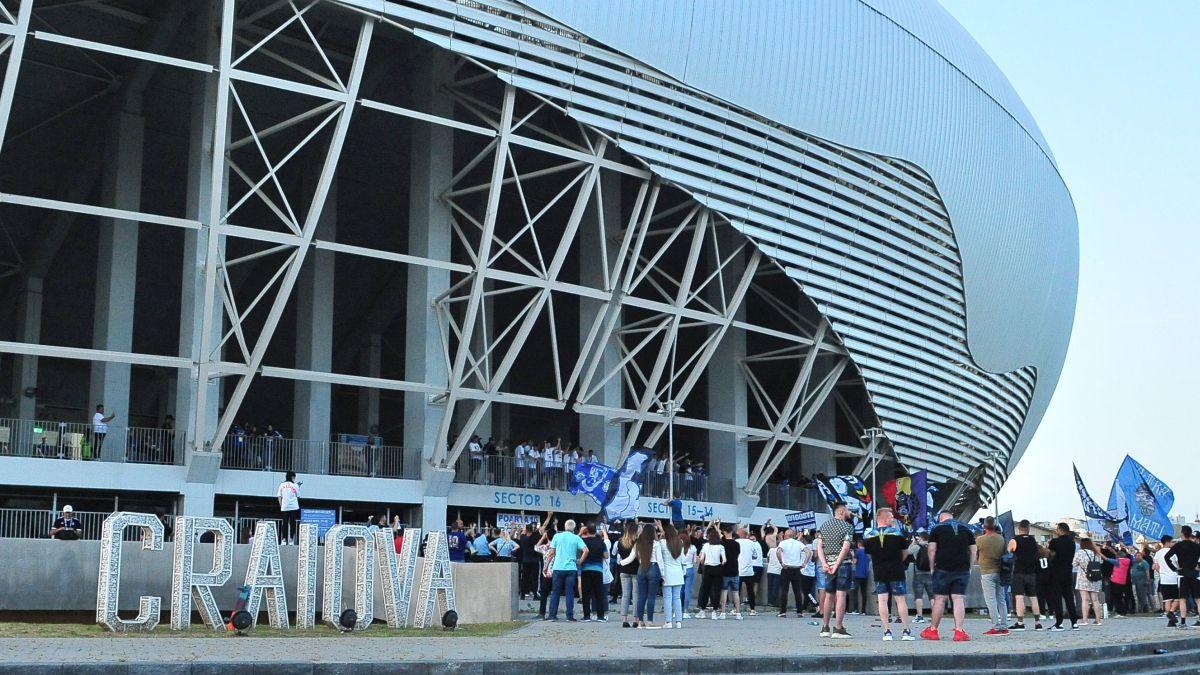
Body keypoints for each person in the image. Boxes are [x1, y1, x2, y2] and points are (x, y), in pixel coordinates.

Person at [920, 510, 976, 642]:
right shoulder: (966, 528)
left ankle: (933, 630)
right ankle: (959, 632)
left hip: (942, 567)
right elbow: (973, 550)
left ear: (941, 518)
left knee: (940, 599)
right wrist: (970, 566)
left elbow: (932, 549)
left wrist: (932, 567)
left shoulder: (937, 528)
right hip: (962, 568)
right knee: (958, 598)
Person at [863, 507, 915, 641]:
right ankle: (906, 631)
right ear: (884, 518)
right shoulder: (898, 534)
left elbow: (869, 554)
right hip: (896, 569)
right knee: (900, 600)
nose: (893, 519)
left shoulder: (869, 536)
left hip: (879, 570)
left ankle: (886, 631)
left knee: (882, 600)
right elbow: (905, 553)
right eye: (891, 517)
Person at [815, 503, 854, 639]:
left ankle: (824, 627)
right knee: (841, 595)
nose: (850, 512)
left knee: (829, 595)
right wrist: (837, 564)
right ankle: (838, 628)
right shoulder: (848, 527)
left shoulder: (824, 526)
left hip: (828, 564)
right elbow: (845, 547)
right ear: (842, 511)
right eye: (848, 509)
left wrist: (825, 563)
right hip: (843, 564)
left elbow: (819, 547)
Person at [544, 518, 585, 621]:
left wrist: (546, 566)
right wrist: (580, 561)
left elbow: (551, 553)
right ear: (574, 528)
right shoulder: (576, 538)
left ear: (565, 527)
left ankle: (552, 615)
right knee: (569, 592)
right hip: (571, 568)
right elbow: (586, 550)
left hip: (558, 568)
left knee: (555, 592)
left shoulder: (557, 536)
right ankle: (569, 616)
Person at [622, 523, 663, 627]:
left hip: (641, 569)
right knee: (651, 597)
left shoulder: (638, 544)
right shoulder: (656, 544)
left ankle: (640, 621)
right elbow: (660, 560)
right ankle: (650, 621)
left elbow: (630, 558)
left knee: (641, 597)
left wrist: (621, 563)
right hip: (653, 568)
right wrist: (663, 574)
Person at [1007, 519, 1043, 630]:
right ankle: (1037, 622)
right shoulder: (1033, 540)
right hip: (1031, 572)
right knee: (1033, 597)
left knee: (1019, 597)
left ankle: (1020, 622)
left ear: (1019, 528)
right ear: (1028, 528)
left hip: (1018, 572)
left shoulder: (1014, 540)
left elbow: (1008, 553)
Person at [976, 516, 1009, 636]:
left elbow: (976, 554)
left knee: (991, 600)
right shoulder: (1001, 539)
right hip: (1000, 571)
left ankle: (995, 626)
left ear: (984, 526)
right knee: (1001, 599)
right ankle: (1004, 625)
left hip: (986, 571)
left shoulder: (980, 540)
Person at [1165, 525, 1200, 629]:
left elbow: (1167, 557)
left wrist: (1174, 568)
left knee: (1183, 599)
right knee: (1198, 599)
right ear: (1191, 534)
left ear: (1182, 534)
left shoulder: (1178, 545)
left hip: (1183, 574)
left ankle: (1183, 622)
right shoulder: (1197, 546)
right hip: (1194, 573)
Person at [1047, 523, 1080, 631]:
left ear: (1060, 530)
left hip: (1056, 572)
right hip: (1068, 572)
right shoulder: (1072, 543)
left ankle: (1059, 623)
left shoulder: (1055, 542)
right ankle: (1074, 622)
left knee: (1057, 598)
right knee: (1069, 597)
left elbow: (1050, 554)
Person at [578, 523, 610, 622]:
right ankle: (600, 616)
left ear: (586, 531)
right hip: (598, 570)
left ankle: (586, 616)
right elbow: (606, 556)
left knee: (586, 593)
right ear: (595, 531)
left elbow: (578, 547)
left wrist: (580, 533)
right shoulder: (601, 542)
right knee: (599, 593)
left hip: (586, 569)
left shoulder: (583, 541)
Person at [658, 521, 686, 628]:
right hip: (678, 573)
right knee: (677, 598)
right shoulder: (680, 543)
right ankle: (679, 621)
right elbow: (683, 560)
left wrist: (661, 531)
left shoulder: (663, 543)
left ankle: (668, 621)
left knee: (667, 598)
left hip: (667, 573)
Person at [1073, 537, 1105, 625]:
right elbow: (1100, 563)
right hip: (1095, 577)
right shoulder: (1096, 553)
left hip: (1083, 577)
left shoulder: (1080, 552)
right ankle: (1098, 620)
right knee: (1095, 599)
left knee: (1085, 599)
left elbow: (1074, 564)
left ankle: (1085, 619)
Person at [775, 527, 805, 617]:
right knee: (797, 591)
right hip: (796, 568)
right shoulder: (799, 543)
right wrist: (804, 563)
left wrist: (781, 562)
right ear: (794, 535)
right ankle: (800, 611)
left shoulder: (783, 543)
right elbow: (808, 552)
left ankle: (783, 611)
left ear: (786, 535)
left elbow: (778, 551)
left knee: (784, 590)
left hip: (786, 568)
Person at [697, 527, 726, 620]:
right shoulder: (721, 547)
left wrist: (702, 563)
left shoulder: (706, 545)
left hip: (708, 568)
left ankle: (702, 610)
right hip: (717, 568)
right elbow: (724, 560)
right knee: (716, 590)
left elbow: (701, 558)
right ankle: (714, 611)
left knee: (706, 589)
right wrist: (721, 564)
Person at [1155, 535, 1182, 627]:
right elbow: (1178, 564)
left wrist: (1162, 572)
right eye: (1172, 542)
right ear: (1167, 542)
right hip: (1174, 577)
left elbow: (1156, 567)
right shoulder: (1173, 553)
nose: (1173, 544)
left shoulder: (1157, 553)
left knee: (1167, 600)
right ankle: (1171, 612)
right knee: (1177, 598)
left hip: (1164, 579)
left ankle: (1170, 619)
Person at [616, 521, 639, 627]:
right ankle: (635, 619)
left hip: (624, 570)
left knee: (625, 595)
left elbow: (616, 554)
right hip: (636, 570)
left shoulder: (620, 542)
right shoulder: (637, 542)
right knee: (635, 595)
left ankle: (624, 619)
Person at [719, 524, 743, 620]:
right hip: (735, 569)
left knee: (724, 591)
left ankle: (723, 612)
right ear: (732, 532)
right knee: (736, 592)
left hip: (724, 570)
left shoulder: (722, 543)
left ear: (724, 532)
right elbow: (737, 555)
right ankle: (738, 613)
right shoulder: (737, 544)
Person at [736, 527, 762, 615]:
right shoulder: (752, 543)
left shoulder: (736, 542)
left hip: (738, 570)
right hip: (749, 571)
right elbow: (755, 556)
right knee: (750, 591)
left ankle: (736, 609)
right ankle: (752, 609)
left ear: (740, 534)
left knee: (737, 591)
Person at [910, 529, 933, 623]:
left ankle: (920, 616)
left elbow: (907, 552)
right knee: (932, 596)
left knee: (918, 596)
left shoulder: (916, 547)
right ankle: (934, 615)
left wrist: (913, 543)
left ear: (921, 538)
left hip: (919, 573)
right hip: (931, 573)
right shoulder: (933, 546)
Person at [276, 471, 301, 544]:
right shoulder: (295, 485)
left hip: (285, 507)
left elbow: (279, 496)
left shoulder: (281, 485)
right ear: (292, 477)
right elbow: (298, 496)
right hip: (293, 507)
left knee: (285, 523)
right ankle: (291, 540)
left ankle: (284, 539)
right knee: (292, 523)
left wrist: (281, 505)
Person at [679, 529, 697, 618]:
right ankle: (686, 610)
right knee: (687, 589)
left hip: (680, 568)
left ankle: (678, 610)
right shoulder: (693, 548)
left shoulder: (678, 548)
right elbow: (695, 560)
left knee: (679, 590)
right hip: (689, 567)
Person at [851, 539, 871, 615]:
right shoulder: (868, 552)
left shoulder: (858, 552)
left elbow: (854, 562)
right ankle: (863, 610)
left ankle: (856, 609)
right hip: (865, 574)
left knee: (855, 592)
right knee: (864, 593)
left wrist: (853, 555)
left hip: (858, 574)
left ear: (859, 544)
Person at [1130, 550, 1151, 614]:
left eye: (1139, 556)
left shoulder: (1144, 562)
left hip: (1142, 581)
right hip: (1135, 581)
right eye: (1136, 556)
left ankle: (1145, 608)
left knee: (1143, 595)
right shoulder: (1134, 562)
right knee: (1138, 595)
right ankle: (1140, 608)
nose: (1137, 557)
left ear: (1142, 556)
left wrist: (1147, 580)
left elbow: (1147, 572)